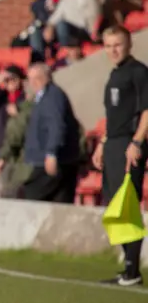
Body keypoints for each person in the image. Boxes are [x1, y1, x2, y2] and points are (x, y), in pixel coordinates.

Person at [92, 26, 147, 286]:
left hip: (129, 144)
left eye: (118, 44)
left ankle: (132, 269)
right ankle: (127, 266)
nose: (113, 50)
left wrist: (137, 141)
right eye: (108, 45)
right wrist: (103, 143)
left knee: (127, 204)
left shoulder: (138, 72)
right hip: (113, 144)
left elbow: (147, 111)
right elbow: (115, 117)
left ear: (128, 45)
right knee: (114, 203)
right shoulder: (115, 75)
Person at [20, 63, 81, 203]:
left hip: (52, 160)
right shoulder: (43, 97)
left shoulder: (52, 96)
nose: (31, 83)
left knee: (31, 196)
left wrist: (51, 152)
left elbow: (56, 125)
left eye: (34, 79)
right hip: (50, 159)